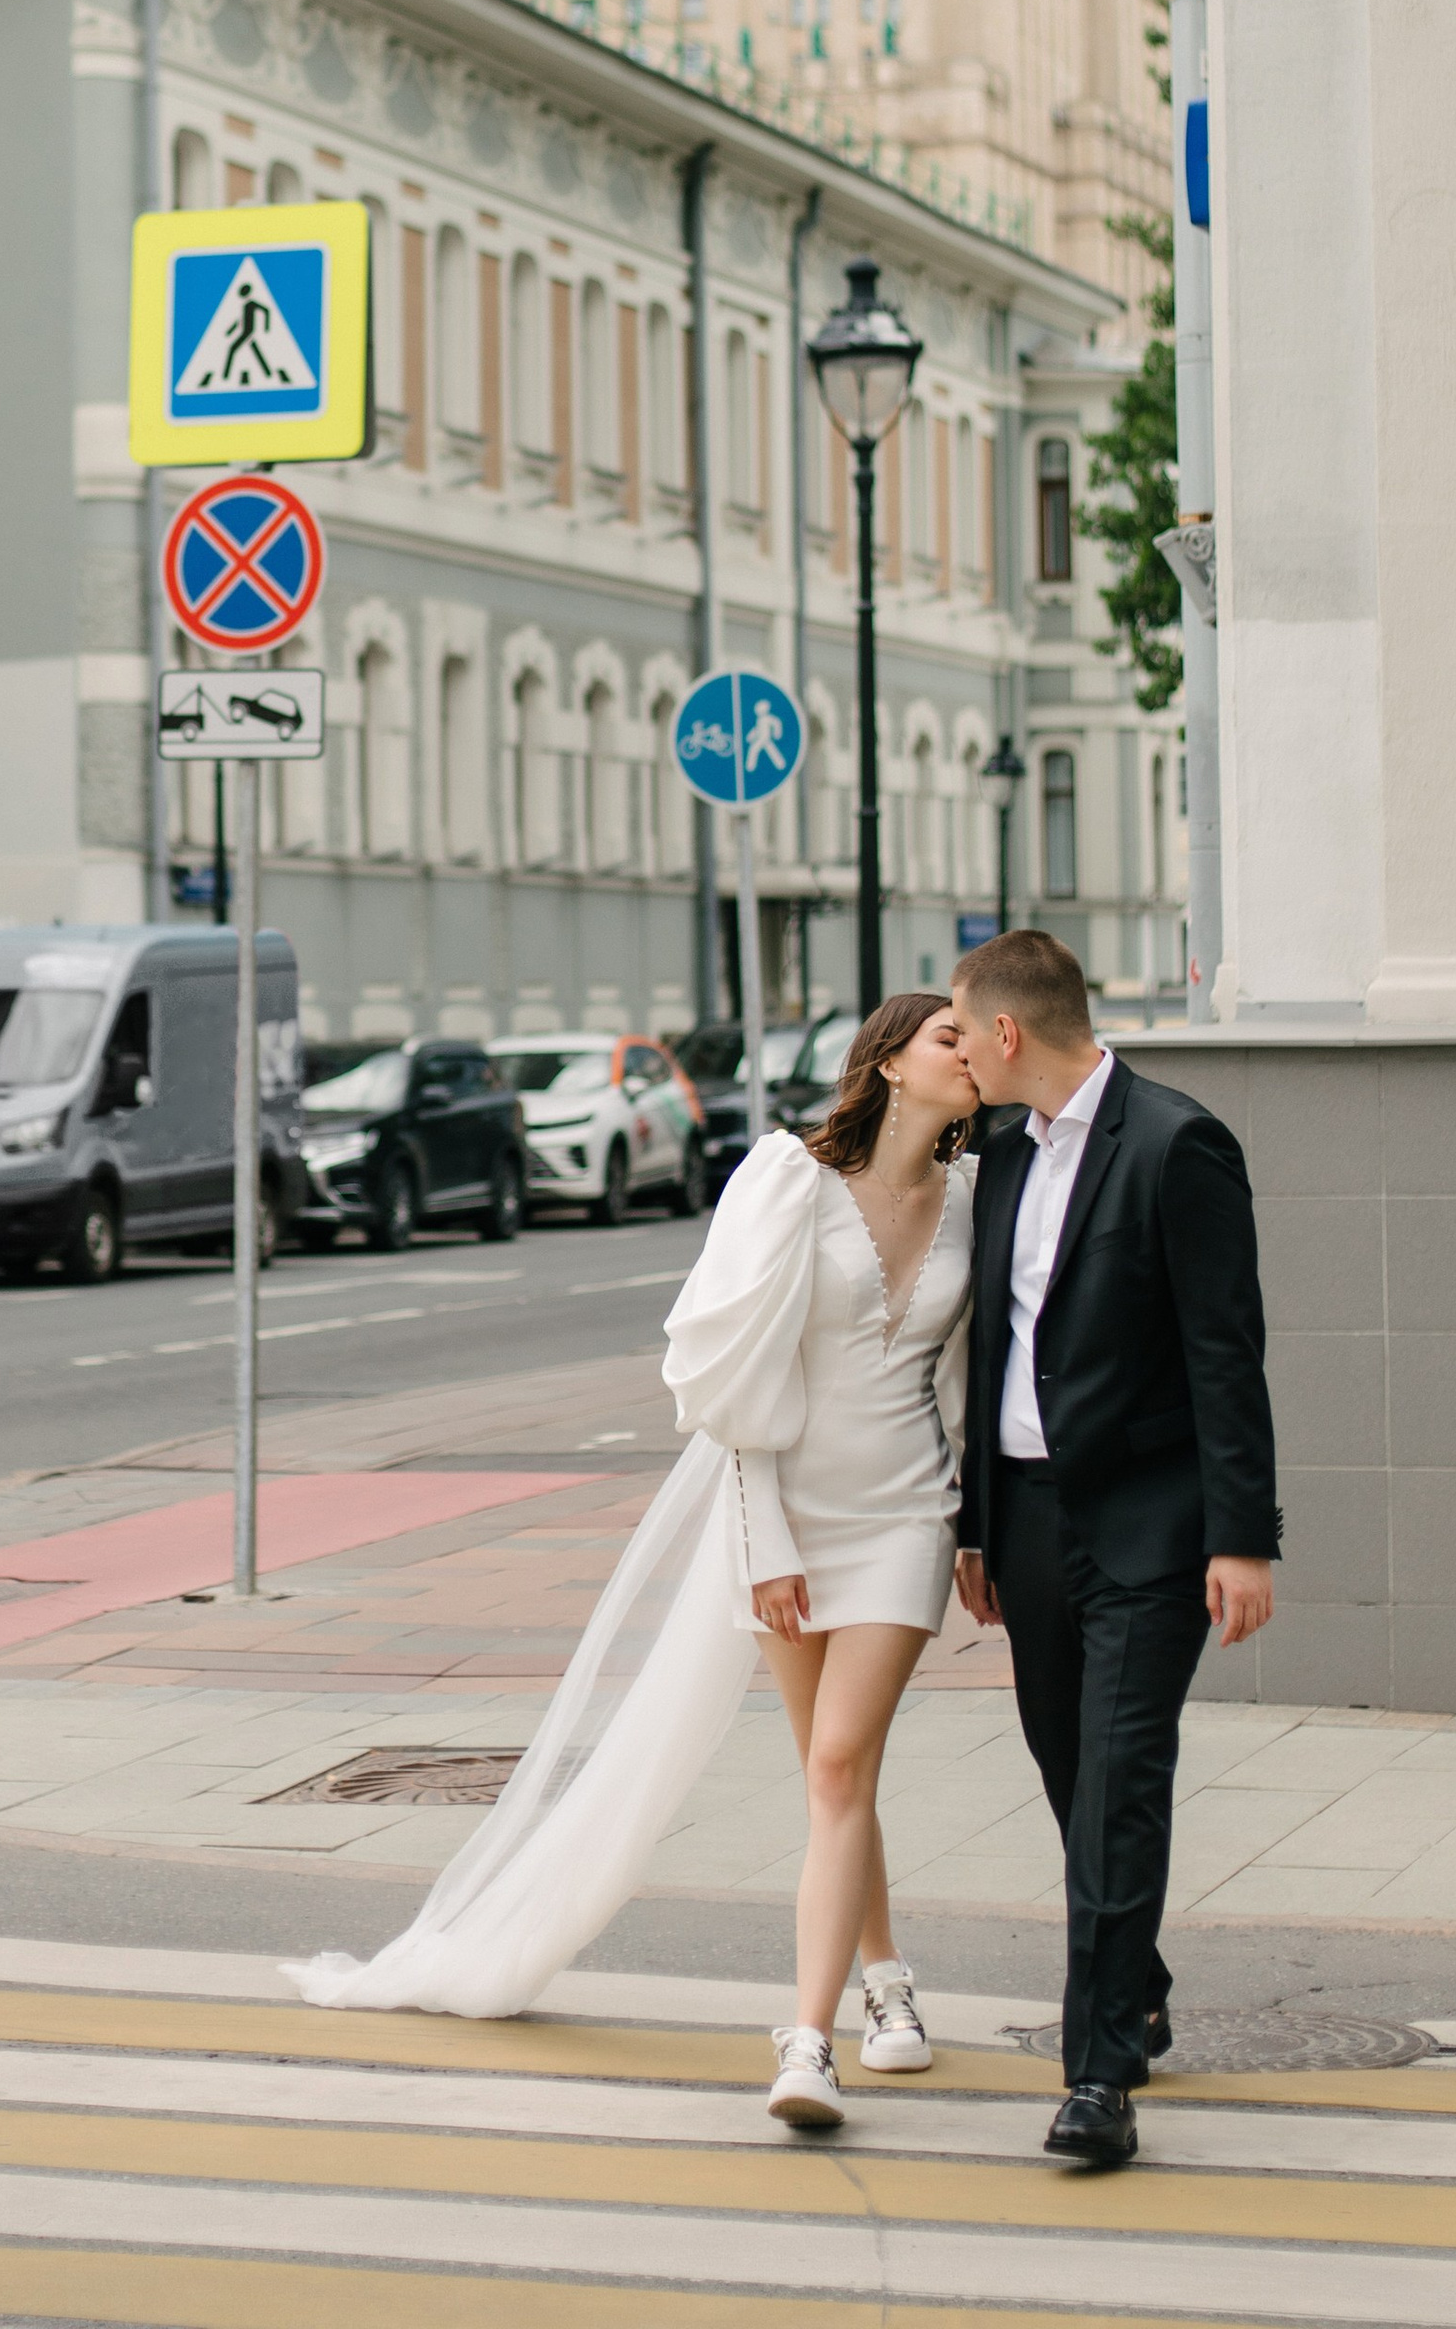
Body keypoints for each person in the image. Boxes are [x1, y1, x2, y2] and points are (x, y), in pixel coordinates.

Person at [292, 990, 982, 2144]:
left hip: (908, 1510)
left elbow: (964, 1381)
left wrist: (972, 1531)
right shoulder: (785, 1181)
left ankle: (805, 2041)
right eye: (949, 1037)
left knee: (841, 1759)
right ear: (892, 1063)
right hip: (788, 1514)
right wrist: (760, 1540)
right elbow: (724, 1383)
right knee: (834, 1775)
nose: (973, 1052)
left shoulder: (973, 1196)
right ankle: (885, 1978)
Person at [950, 927, 1280, 2170]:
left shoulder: (1176, 1141)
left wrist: (1243, 1538)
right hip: (1028, 1524)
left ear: (1005, 1033)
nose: (962, 1056)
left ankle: (1097, 2078)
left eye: (963, 1031)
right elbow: (990, 1351)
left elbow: (1223, 1353)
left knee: (1119, 1779)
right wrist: (977, 1522)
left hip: (1149, 1525)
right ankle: (1132, 1981)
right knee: (1064, 1768)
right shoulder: (998, 1151)